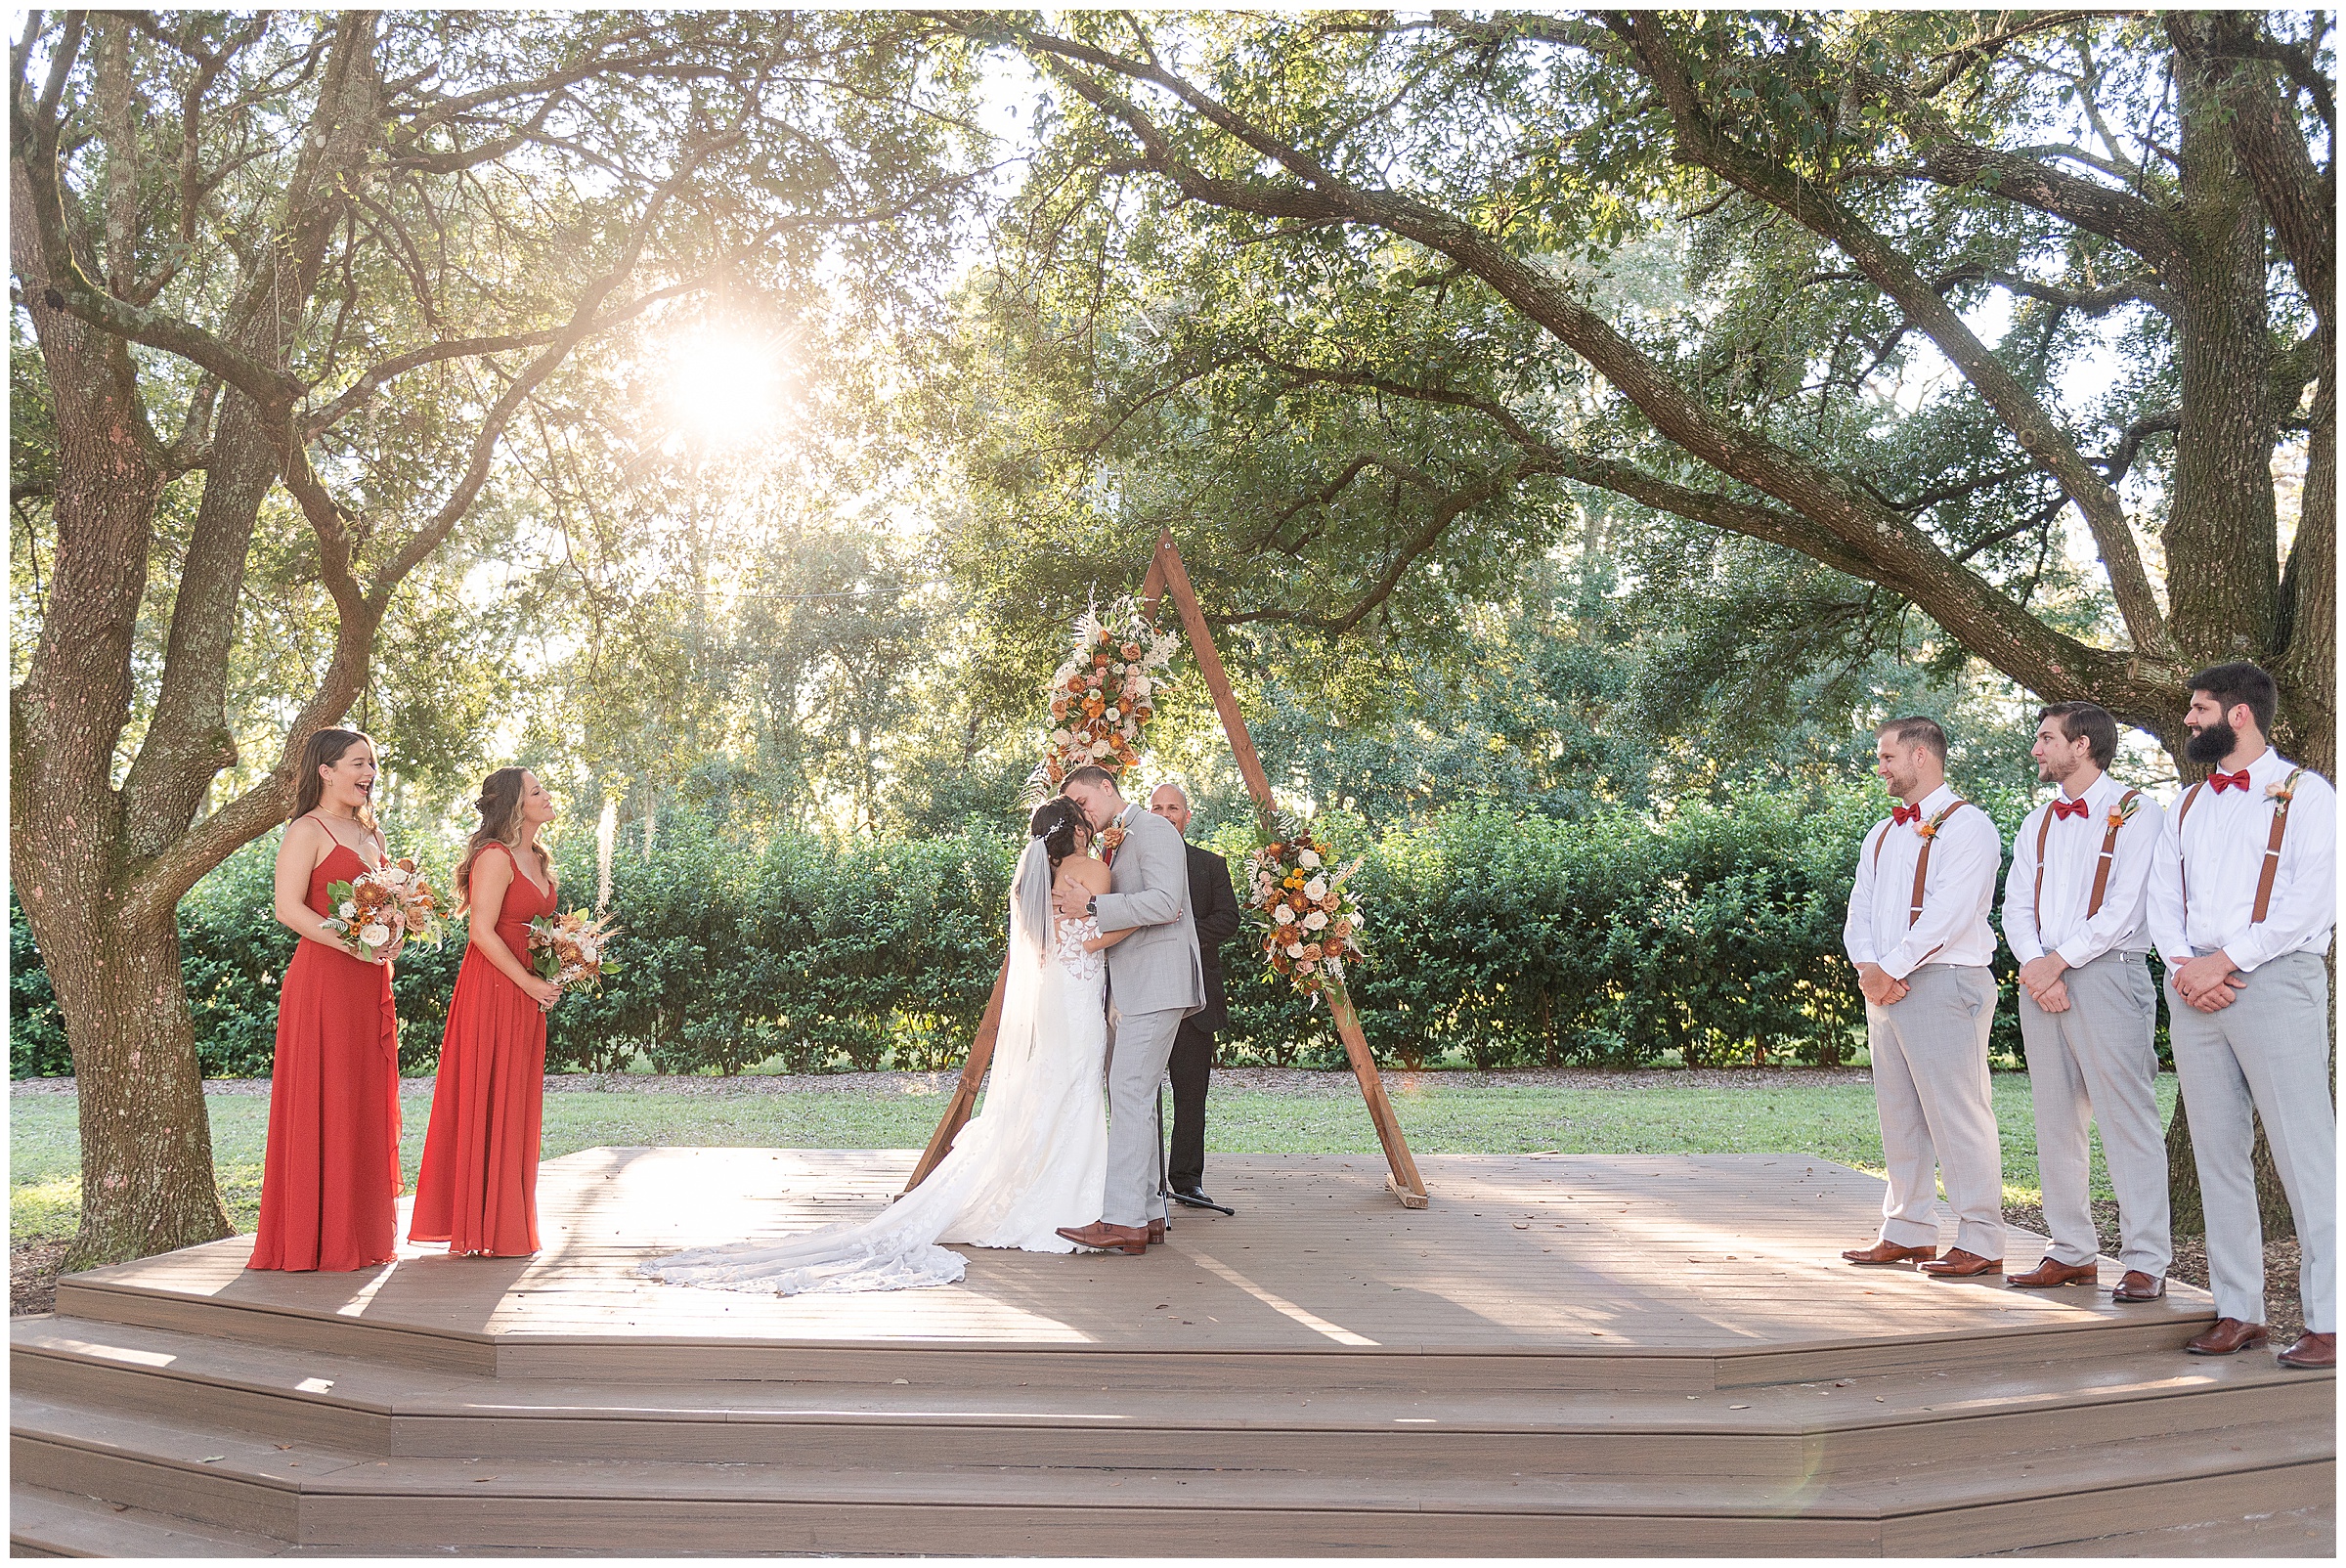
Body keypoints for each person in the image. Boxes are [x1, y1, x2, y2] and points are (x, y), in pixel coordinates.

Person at [640, 797, 1125, 1293]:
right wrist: (1128, 925)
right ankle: (1067, 1203)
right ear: (1079, 829)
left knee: (1048, 1085)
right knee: (1079, 1084)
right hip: (1078, 992)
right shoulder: (1090, 869)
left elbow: (1042, 943)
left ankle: (1033, 1191)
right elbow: (1098, 934)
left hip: (1050, 994)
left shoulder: (1032, 880)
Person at [2147, 662, 2335, 1370]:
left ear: (2239, 715)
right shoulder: (2189, 803)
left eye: (2198, 710)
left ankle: (2330, 1320)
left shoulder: (2307, 795)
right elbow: (2163, 896)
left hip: (2274, 981)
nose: (2189, 721)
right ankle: (2239, 1310)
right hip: (2193, 989)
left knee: (2304, 1151)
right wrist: (2183, 966)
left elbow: (2312, 901)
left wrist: (2224, 961)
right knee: (2218, 1153)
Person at [2000, 703, 2169, 1299]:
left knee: (2128, 1118)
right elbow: (2015, 902)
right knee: (2054, 1119)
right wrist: (2035, 965)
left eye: (2046, 739)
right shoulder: (2037, 821)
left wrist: (2058, 962)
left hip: (2108, 974)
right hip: (2042, 979)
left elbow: (2127, 904)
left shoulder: (2140, 812)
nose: (2037, 749)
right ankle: (2071, 1250)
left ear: (2085, 744)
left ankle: (2147, 1258)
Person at [1840, 716, 2007, 1279]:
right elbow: (1858, 905)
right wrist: (1869, 967)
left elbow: (1949, 912)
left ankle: (1981, 1238)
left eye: (1887, 757)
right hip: (1885, 985)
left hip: (1946, 982)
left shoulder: (1969, 827)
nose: (1880, 767)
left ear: (1920, 756)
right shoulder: (1882, 832)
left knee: (1959, 1112)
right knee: (1900, 1112)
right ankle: (1909, 1229)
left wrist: (1891, 968)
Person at [249, 728, 406, 1272]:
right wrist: (355, 941)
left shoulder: (372, 833)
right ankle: (317, 1237)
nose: (369, 774)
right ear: (326, 770)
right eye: (358, 763)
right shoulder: (306, 831)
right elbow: (289, 910)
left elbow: (388, 907)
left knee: (362, 1096)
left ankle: (357, 1233)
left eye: (372, 765)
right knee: (327, 1094)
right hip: (323, 983)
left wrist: (396, 930)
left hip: (368, 983)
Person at [1052, 764, 1205, 1256]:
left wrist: (1092, 908)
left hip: (1158, 983)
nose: (1084, 813)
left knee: (1130, 1091)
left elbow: (1165, 902)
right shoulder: (1119, 841)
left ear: (1108, 788)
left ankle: (1123, 1221)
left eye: (1085, 800)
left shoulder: (1154, 828)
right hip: (1139, 985)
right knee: (1135, 1095)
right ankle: (1148, 1214)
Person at [409, 767, 563, 1257]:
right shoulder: (495, 858)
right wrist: (528, 982)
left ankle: (507, 1221)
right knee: (488, 1090)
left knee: (516, 1095)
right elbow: (481, 932)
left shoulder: (538, 858)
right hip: (495, 986)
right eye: (537, 790)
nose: (547, 795)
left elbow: (537, 928)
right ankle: (481, 1224)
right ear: (515, 803)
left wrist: (566, 957)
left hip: (526, 988)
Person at [1150, 783, 1241, 1214]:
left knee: (1190, 1097)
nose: (1165, 814)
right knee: (1140, 1094)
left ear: (1187, 817)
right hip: (1146, 998)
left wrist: (1182, 937)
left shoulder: (1210, 865)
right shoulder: (1131, 864)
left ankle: (1186, 1182)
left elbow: (1228, 919)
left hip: (1197, 1001)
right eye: (1157, 808)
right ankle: (1145, 1182)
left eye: (1173, 808)